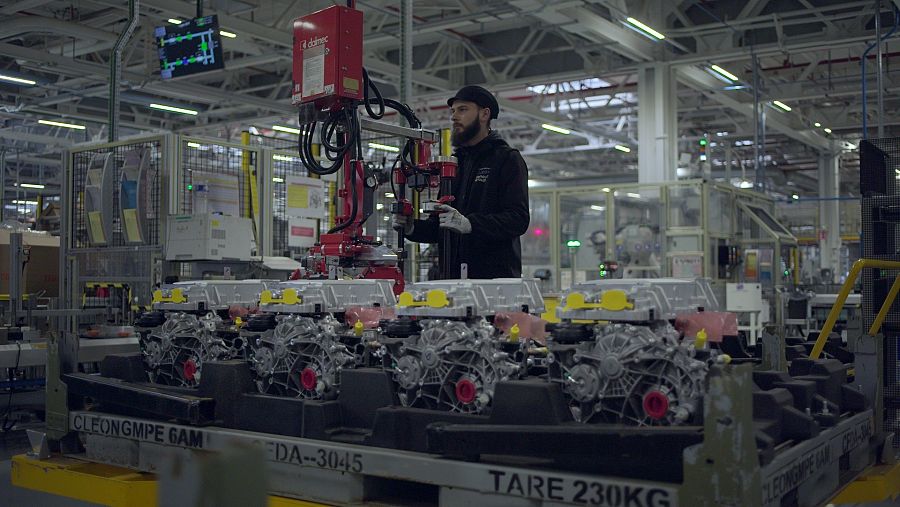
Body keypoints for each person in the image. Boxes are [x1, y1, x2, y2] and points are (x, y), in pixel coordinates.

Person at [394, 85, 530, 279]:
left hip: (494, 283)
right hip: (452, 278)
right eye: (453, 111)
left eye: (463, 109)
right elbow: (442, 226)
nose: (454, 117)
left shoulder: (507, 159)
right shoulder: (455, 165)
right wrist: (411, 227)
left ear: (484, 114)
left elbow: (518, 219)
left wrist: (471, 224)